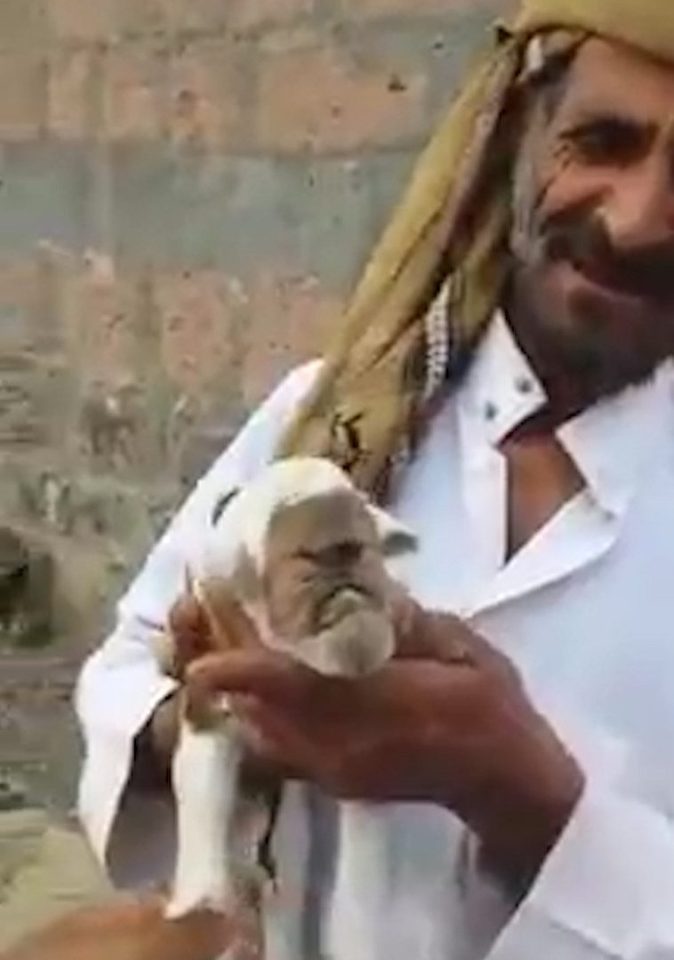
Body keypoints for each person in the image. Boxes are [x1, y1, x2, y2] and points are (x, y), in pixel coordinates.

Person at [75, 0, 674, 957]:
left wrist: (519, 790)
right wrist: (215, 723)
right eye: (602, 141)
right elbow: (128, 669)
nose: (637, 222)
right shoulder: (330, 415)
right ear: (518, 137)